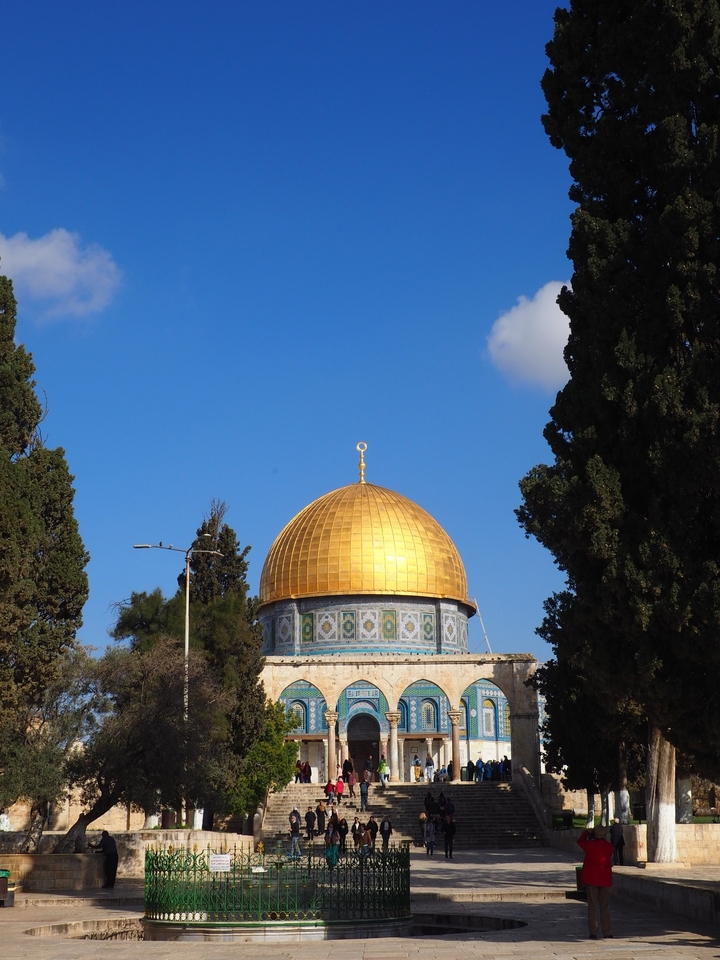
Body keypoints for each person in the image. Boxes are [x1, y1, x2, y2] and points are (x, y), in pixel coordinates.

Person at [578, 826, 614, 939]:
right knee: (605, 907)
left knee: (592, 906)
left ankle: (593, 932)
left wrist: (586, 833)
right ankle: (607, 932)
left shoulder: (589, 845)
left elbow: (579, 841)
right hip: (604, 879)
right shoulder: (609, 847)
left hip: (591, 878)